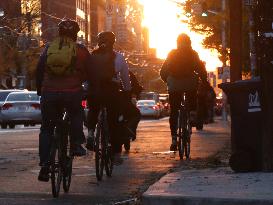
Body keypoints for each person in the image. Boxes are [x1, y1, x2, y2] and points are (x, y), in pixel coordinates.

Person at [36, 19, 90, 182]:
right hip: (72, 93)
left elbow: (39, 70)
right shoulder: (81, 50)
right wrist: (87, 89)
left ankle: (45, 165)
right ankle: (75, 145)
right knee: (76, 113)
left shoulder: (48, 48)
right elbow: (91, 72)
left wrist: (40, 89)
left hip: (49, 93)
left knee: (46, 127)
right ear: (76, 34)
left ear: (59, 33)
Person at [86, 31, 132, 164]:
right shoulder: (119, 57)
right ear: (113, 42)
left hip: (94, 90)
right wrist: (127, 91)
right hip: (111, 91)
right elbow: (125, 78)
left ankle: (90, 133)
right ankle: (116, 154)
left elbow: (86, 74)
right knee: (114, 121)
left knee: (93, 110)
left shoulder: (91, 56)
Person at [160, 33, 207, 151]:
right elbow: (201, 69)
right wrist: (204, 81)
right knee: (192, 96)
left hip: (174, 84)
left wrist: (168, 81)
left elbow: (163, 71)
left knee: (174, 111)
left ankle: (174, 139)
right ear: (189, 42)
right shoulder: (193, 53)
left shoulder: (172, 53)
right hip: (190, 82)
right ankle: (191, 115)